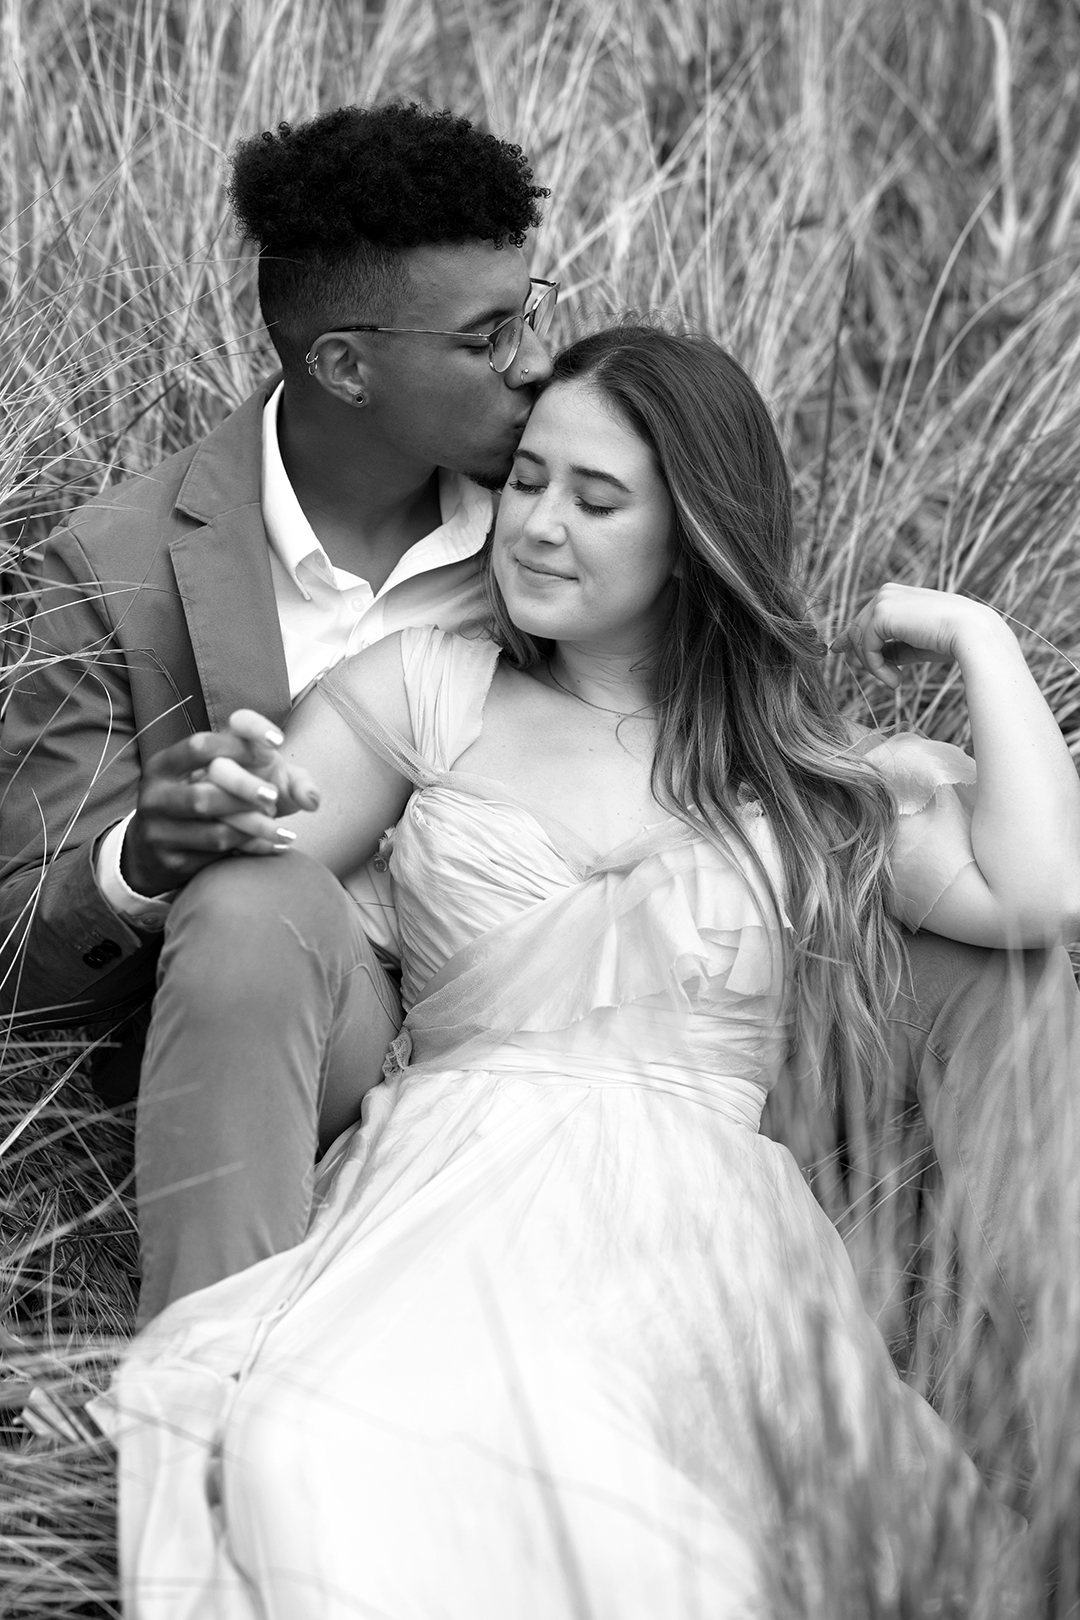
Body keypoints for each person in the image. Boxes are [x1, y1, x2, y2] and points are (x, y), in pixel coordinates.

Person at [0, 102, 1074, 1345]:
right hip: (334, 1057)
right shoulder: (121, 571)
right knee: (253, 899)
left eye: (532, 310)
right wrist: (148, 855)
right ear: (348, 367)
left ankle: (1050, 1408)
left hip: (680, 1079)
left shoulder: (569, 487)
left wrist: (970, 641)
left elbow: (1008, 872)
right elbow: (22, 953)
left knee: (1006, 967)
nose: (529, 361)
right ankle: (204, 1370)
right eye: (490, 335)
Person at [99, 324, 1078, 1617]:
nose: (538, 524)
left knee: (678, 1533)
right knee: (320, 1457)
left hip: (704, 1234)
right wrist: (197, 821)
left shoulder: (803, 782)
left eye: (596, 497)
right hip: (453, 1187)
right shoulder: (433, 693)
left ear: (696, 533)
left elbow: (1042, 890)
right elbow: (266, 842)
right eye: (527, 481)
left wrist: (973, 634)